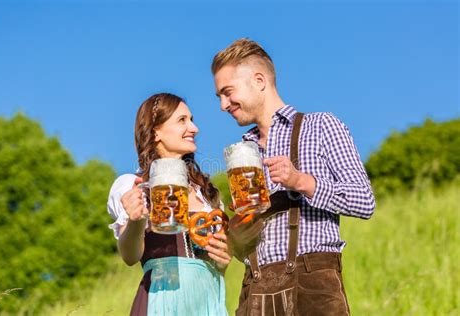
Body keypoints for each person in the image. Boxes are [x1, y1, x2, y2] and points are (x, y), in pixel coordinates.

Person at [212, 39, 376, 315]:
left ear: (259, 80)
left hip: (313, 282)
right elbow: (242, 249)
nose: (223, 105)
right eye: (219, 97)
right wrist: (237, 238)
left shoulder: (321, 126)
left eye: (227, 93)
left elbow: (364, 201)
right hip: (255, 288)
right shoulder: (241, 153)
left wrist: (301, 181)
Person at [107, 93, 230, 316]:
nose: (194, 128)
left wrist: (222, 260)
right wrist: (136, 221)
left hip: (207, 298)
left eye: (191, 119)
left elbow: (219, 262)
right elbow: (129, 255)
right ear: (156, 132)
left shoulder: (207, 194)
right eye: (182, 120)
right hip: (163, 297)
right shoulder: (134, 185)